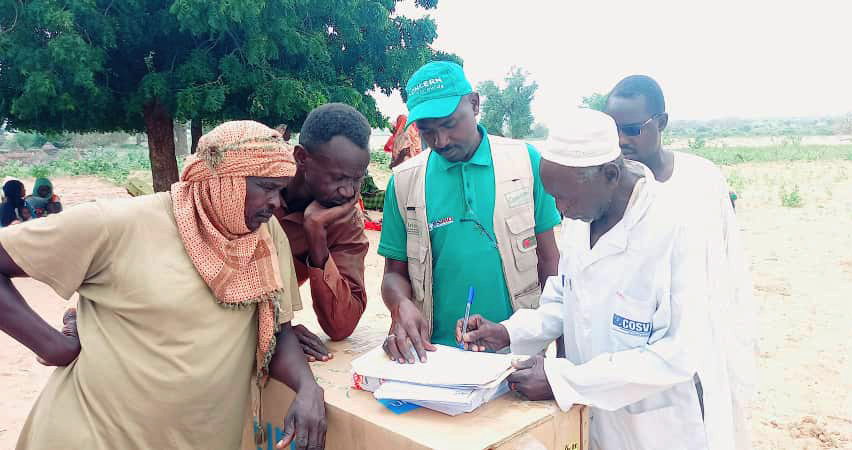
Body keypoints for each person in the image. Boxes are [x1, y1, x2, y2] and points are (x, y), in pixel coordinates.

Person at [0, 121, 326, 450]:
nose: (277, 203)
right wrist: (54, 346)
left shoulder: (265, 241)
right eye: (266, 186)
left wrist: (307, 387)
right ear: (222, 179)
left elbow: (279, 331)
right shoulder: (118, 225)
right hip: (92, 437)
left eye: (280, 189)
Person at [459, 109, 736, 450]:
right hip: (591, 423)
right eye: (553, 197)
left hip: (655, 431)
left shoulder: (678, 227)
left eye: (566, 197)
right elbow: (565, 300)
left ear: (609, 174)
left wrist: (563, 380)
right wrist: (508, 332)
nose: (559, 210)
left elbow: (678, 354)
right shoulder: (581, 216)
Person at [604, 75, 756, 448]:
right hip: (643, 351)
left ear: (662, 123)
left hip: (706, 341)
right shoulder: (610, 187)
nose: (623, 140)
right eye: (614, 130)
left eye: (633, 129)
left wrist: (736, 341)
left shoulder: (702, 180)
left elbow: (729, 264)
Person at [379, 61, 561, 363]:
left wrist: (561, 354)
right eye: (427, 131)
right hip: (436, 356)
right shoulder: (404, 182)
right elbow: (393, 276)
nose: (441, 141)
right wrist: (400, 303)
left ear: (474, 104)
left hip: (519, 352)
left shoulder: (525, 163)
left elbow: (550, 261)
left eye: (450, 124)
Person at [273, 103, 371, 362]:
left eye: (357, 179)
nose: (349, 192)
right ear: (302, 158)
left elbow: (341, 326)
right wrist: (274, 332)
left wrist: (316, 235)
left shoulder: (344, 219)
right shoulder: (257, 189)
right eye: (339, 178)